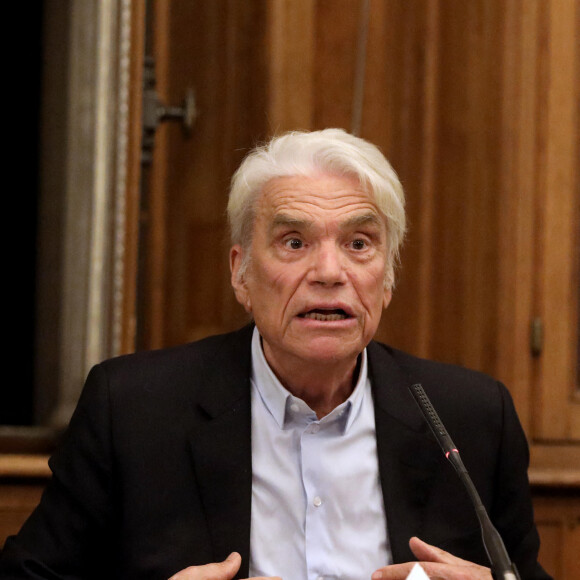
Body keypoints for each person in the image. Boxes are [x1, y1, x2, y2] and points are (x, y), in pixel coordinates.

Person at [1, 129, 551, 580]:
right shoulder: (133, 409)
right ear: (240, 272)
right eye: (294, 242)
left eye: (359, 244)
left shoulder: (472, 415)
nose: (330, 273)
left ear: (387, 278)